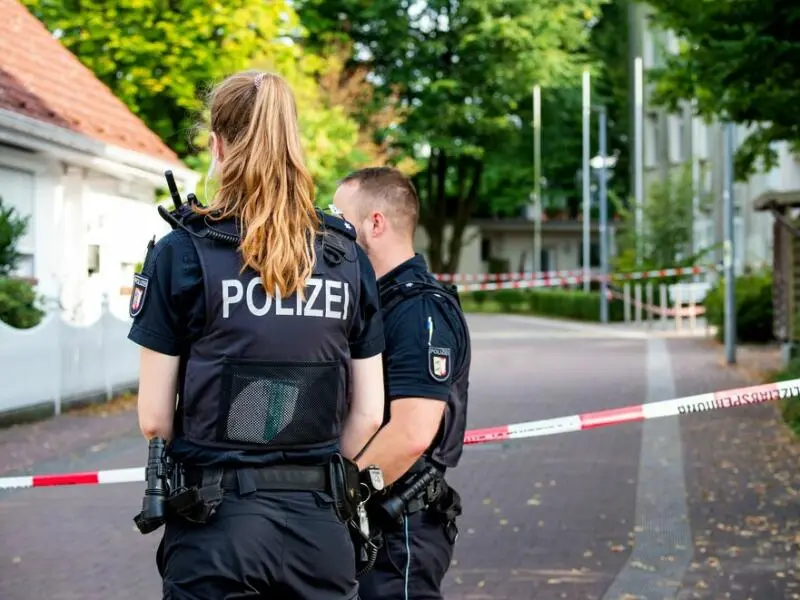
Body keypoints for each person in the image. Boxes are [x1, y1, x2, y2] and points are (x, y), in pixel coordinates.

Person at [127, 70, 386, 600]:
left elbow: (154, 418)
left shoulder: (182, 252)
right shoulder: (346, 258)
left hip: (217, 528)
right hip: (320, 533)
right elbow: (369, 413)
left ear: (217, 145)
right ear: (293, 142)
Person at [331, 167, 472, 600]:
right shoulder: (379, 300)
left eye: (341, 219)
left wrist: (339, 503)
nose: (332, 231)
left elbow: (411, 433)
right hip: (377, 521)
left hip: (400, 528)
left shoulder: (417, 311)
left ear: (375, 223)